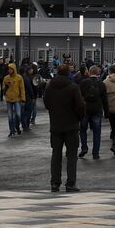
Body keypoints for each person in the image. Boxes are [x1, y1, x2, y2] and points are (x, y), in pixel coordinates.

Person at [43, 63, 85, 193]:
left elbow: (46, 103)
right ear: (68, 73)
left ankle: (55, 183)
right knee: (72, 155)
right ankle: (70, 183)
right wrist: (78, 117)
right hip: (71, 125)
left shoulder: (50, 87)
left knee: (56, 154)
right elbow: (80, 106)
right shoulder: (73, 87)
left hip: (55, 125)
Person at [77, 65, 106, 159]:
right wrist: (107, 112)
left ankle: (84, 147)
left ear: (89, 72)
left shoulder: (83, 83)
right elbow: (105, 99)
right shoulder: (101, 84)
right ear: (98, 73)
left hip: (85, 109)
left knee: (82, 129)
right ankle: (95, 153)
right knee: (97, 132)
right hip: (97, 109)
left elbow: (79, 97)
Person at [2, 63, 26, 137]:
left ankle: (16, 126)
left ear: (14, 69)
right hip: (9, 98)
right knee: (10, 116)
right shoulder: (6, 78)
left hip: (17, 98)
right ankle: (11, 130)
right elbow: (3, 89)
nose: (9, 70)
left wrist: (23, 99)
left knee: (18, 114)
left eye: (11, 69)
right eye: (8, 69)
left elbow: (22, 89)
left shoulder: (19, 78)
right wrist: (6, 86)